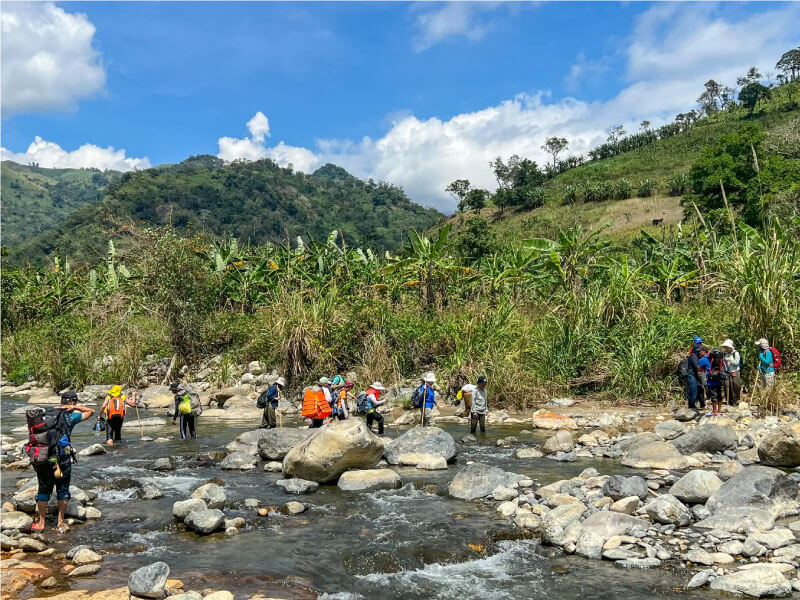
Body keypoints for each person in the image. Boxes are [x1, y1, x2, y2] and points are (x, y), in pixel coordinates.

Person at [32, 391, 94, 532]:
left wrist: (58, 407)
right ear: (72, 402)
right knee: (63, 489)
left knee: (43, 490)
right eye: (75, 402)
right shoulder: (70, 417)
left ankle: (41, 523)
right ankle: (60, 522)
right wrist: (76, 408)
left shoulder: (45, 415)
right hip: (62, 458)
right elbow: (91, 411)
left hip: (43, 457)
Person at [701, 349, 725, 416]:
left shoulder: (705, 360)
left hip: (711, 381)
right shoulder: (722, 360)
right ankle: (719, 411)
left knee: (713, 395)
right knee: (719, 394)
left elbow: (699, 369)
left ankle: (714, 411)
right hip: (720, 379)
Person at [721, 339, 742, 406]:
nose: (726, 348)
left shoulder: (736, 353)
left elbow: (736, 363)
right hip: (728, 372)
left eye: (727, 347)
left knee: (735, 386)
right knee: (728, 386)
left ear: (730, 347)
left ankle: (735, 401)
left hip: (735, 371)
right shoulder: (725, 353)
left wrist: (730, 359)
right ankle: (729, 400)